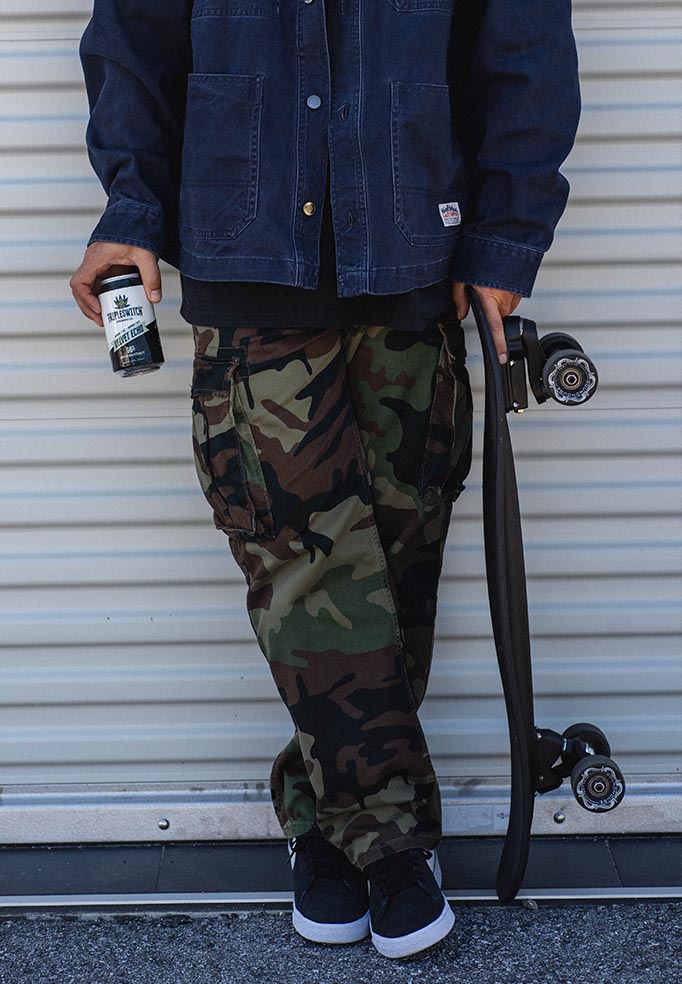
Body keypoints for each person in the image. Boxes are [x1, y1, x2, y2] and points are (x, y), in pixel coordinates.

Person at [70, 0, 581, 960]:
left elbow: (523, 50)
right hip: (245, 257)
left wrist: (508, 241)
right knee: (302, 567)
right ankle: (392, 849)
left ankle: (321, 825)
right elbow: (132, 47)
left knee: (394, 572)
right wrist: (130, 208)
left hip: (416, 259)